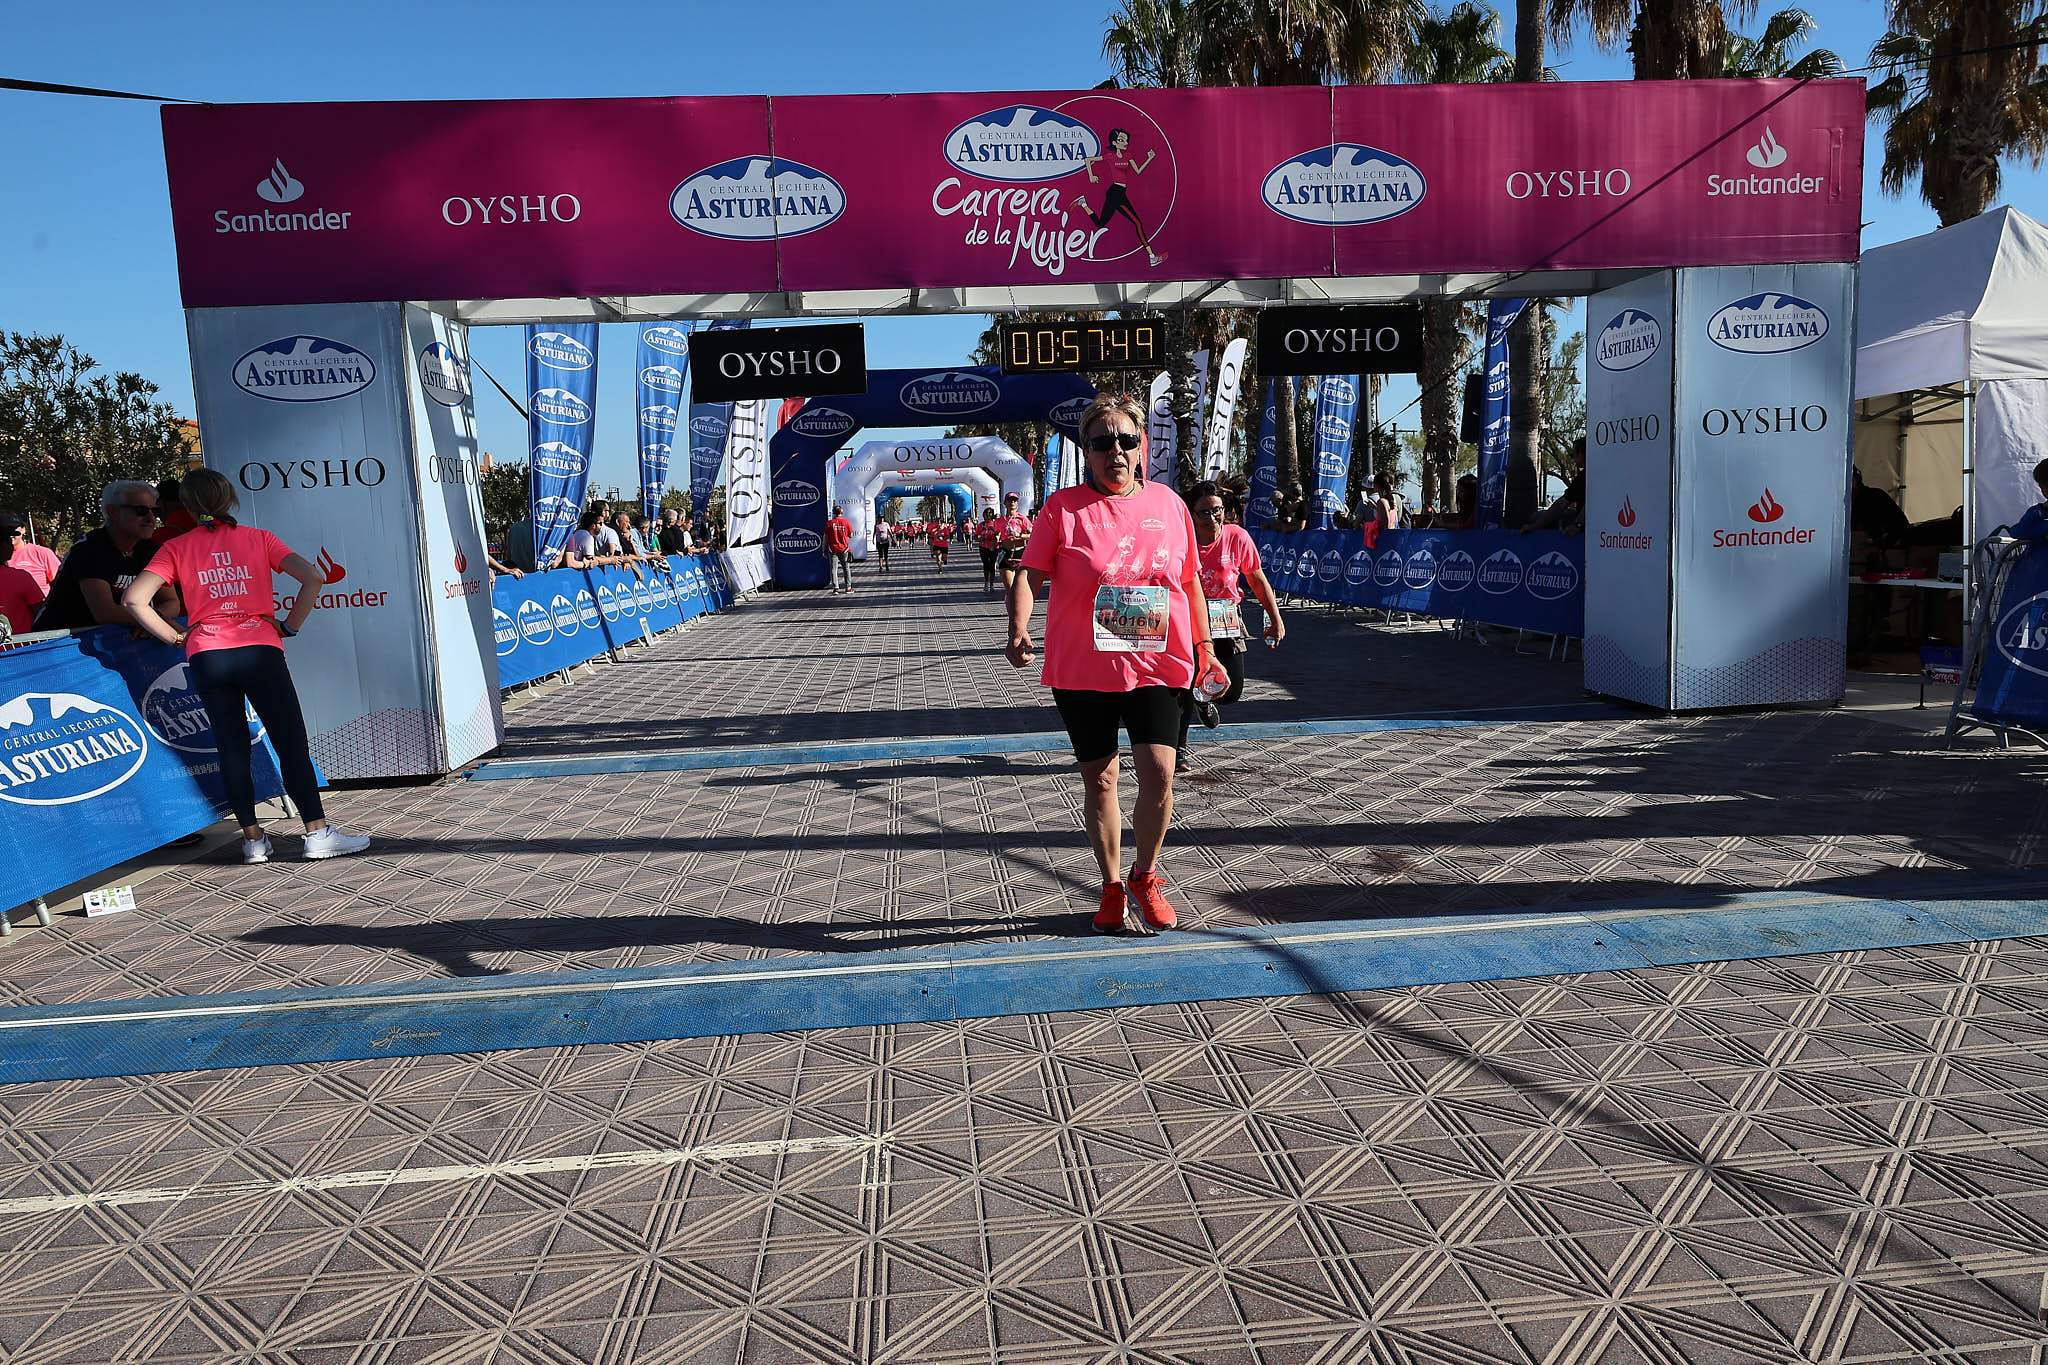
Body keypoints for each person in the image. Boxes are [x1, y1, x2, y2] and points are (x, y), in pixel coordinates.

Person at [1006, 391, 1224, 937]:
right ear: (1087, 450)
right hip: (1086, 667)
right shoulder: (1062, 508)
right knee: (1101, 779)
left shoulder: (1171, 506)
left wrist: (1206, 648)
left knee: (1160, 771)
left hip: (1156, 660)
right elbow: (1031, 575)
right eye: (1103, 442)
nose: (1116, 451)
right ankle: (1109, 885)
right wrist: (1018, 628)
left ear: (1141, 445)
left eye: (1127, 440)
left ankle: (1145, 875)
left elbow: (1191, 582)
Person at [123, 469, 370, 864]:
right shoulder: (258, 538)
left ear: (187, 507)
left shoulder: (177, 547)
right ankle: (316, 832)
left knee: (230, 747)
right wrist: (289, 626)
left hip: (206, 653)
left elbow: (135, 600)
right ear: (230, 499)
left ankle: (253, 841)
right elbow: (312, 577)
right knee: (289, 741)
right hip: (259, 648)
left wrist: (177, 638)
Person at [1176, 483, 1285, 770]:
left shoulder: (1237, 537)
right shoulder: (1180, 538)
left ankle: (1203, 699)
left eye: (1217, 511)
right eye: (1204, 512)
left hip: (1226, 620)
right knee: (1185, 685)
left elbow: (1257, 579)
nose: (1212, 518)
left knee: (1232, 690)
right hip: (1188, 621)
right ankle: (1179, 751)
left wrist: (1275, 617)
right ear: (1190, 514)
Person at [33, 481, 182, 632]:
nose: (151, 518)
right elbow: (106, 613)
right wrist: (153, 623)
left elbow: (171, 602)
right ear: (112, 512)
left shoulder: (151, 549)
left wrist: (153, 621)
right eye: (141, 510)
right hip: (62, 642)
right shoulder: (89, 550)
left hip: (109, 638)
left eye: (155, 511)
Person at [1072, 127, 1166, 268]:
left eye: (1126, 140)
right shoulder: (1110, 156)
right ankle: (1152, 257)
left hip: (1120, 193)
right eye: (1121, 140)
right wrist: (1091, 175)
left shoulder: (1128, 155)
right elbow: (1088, 160)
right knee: (1138, 223)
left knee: (1100, 224)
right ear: (1115, 143)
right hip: (1115, 193)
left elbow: (1138, 171)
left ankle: (1083, 203)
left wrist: (1149, 158)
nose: (1125, 142)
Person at [1525, 437, 1586, 533]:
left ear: (1581, 454)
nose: (1572, 458)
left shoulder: (1584, 476)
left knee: (1537, 517)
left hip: (1584, 529)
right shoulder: (1589, 475)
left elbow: (1561, 504)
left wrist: (1534, 526)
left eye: (1573, 454)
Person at [0, 513, 46, 635]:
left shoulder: (41, 553)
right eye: (8, 541)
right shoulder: (21, 577)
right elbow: (43, 614)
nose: (11, 545)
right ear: (3, 546)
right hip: (21, 651)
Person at [996, 492, 1033, 596]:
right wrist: (995, 538)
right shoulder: (999, 521)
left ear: (1017, 504)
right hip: (1005, 553)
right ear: (1005, 503)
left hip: (1020, 554)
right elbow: (996, 535)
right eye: (1009, 500)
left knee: (1021, 588)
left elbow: (1033, 535)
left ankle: (1020, 609)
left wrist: (1020, 535)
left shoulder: (1023, 519)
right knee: (1009, 588)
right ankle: (1011, 610)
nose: (1012, 502)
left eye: (1014, 500)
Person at [825, 503, 855, 593]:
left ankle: (836, 588)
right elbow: (851, 535)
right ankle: (848, 588)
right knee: (846, 568)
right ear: (842, 512)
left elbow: (825, 537)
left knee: (834, 569)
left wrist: (824, 549)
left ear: (833, 513)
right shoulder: (846, 522)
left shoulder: (829, 523)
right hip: (844, 549)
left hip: (832, 549)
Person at [975, 508, 1003, 594]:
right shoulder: (981, 525)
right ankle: (986, 583)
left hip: (994, 547)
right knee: (986, 565)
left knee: (992, 565)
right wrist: (980, 538)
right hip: (983, 547)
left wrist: (996, 539)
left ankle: (991, 584)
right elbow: (976, 537)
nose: (987, 515)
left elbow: (1000, 535)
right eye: (986, 513)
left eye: (990, 513)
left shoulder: (996, 524)